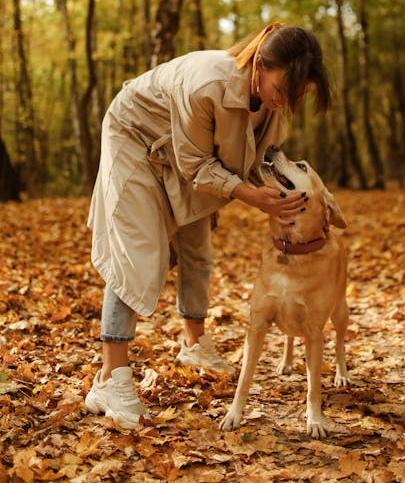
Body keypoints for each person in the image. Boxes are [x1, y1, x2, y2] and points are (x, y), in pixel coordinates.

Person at [84, 22, 332, 429]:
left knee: (198, 246)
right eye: (284, 88)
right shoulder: (207, 83)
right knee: (139, 252)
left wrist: (273, 193)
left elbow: (258, 159)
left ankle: (194, 344)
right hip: (135, 139)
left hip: (184, 155)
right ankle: (111, 378)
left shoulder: (269, 106)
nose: (286, 100)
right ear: (261, 64)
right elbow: (198, 165)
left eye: (298, 94)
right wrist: (250, 196)